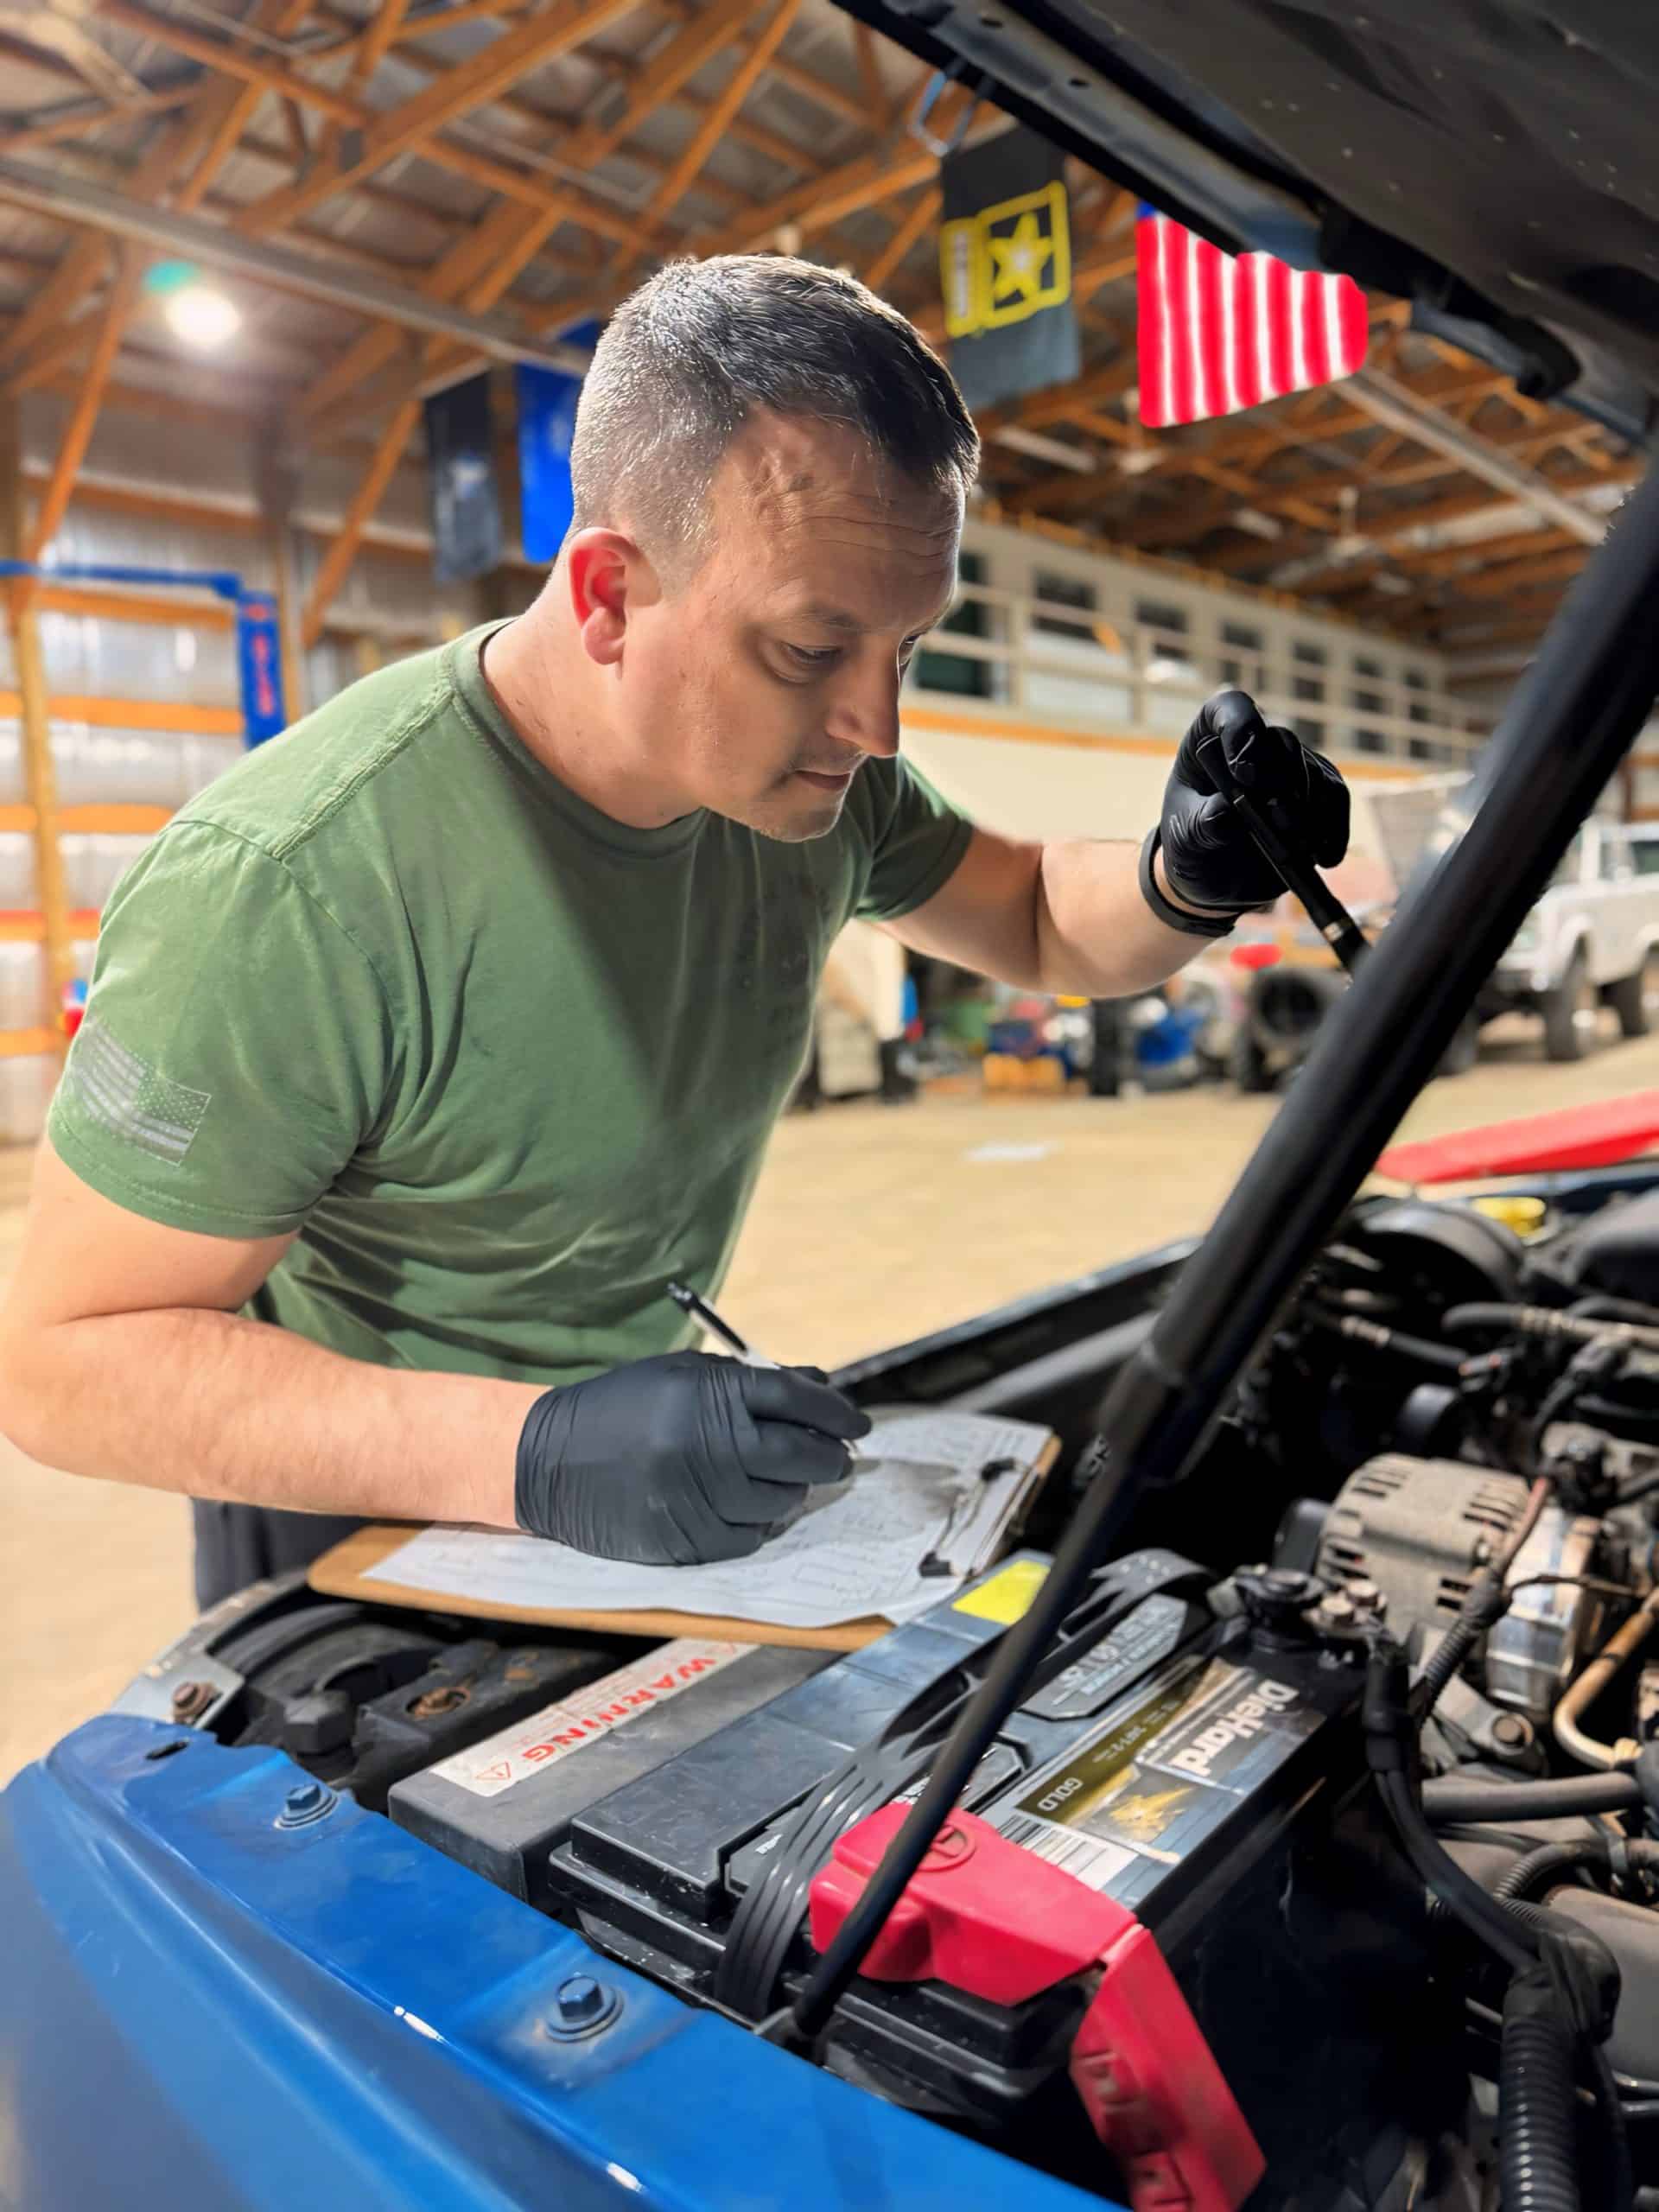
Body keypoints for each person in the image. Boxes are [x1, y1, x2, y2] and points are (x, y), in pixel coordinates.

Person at [0, 256, 1348, 1607]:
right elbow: (64, 1359)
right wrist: (524, 1450)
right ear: (605, 596)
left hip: (634, 1472)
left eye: (909, 649)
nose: (878, 727)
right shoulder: (294, 885)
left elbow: (1040, 918)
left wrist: (1187, 874)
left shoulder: (815, 795)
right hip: (359, 1509)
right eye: (810, 651)